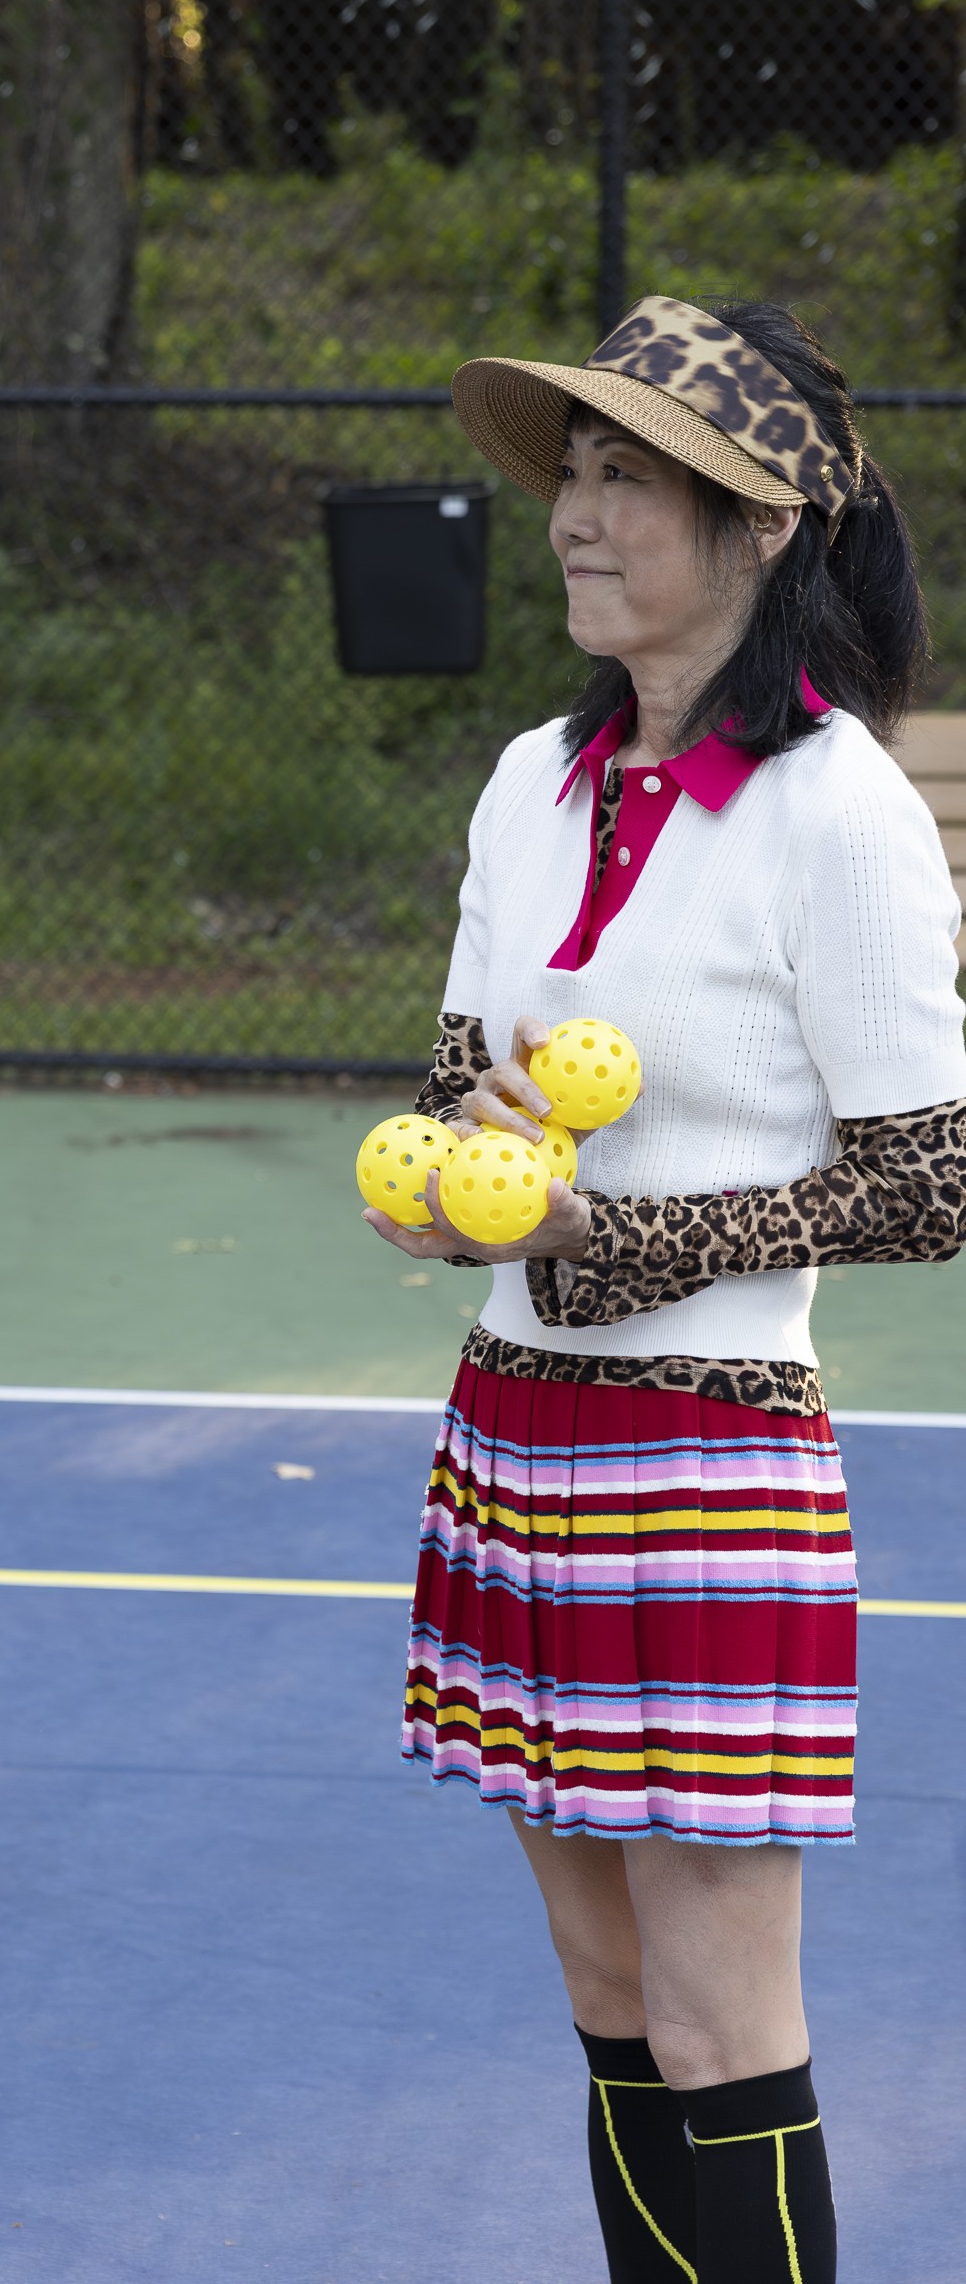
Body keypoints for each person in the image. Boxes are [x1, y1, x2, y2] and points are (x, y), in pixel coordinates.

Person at [367, 296, 966, 2284]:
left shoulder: (840, 808)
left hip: (709, 1453)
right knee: (608, 1994)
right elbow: (463, 1074)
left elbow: (935, 1179)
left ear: (762, 527)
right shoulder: (529, 779)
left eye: (633, 480)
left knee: (721, 2027)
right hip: (512, 1432)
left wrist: (619, 1245)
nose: (576, 516)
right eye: (575, 473)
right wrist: (458, 1180)